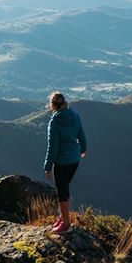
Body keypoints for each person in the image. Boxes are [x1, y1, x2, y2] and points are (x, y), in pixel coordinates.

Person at [43, 91, 86, 234]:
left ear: (53, 105)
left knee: (62, 192)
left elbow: (52, 147)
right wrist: (83, 148)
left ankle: (66, 225)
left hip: (62, 162)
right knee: (65, 188)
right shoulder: (75, 116)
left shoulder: (54, 122)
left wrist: (48, 166)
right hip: (74, 160)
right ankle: (63, 217)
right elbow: (81, 135)